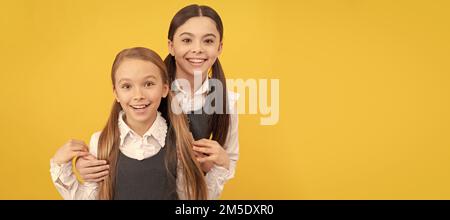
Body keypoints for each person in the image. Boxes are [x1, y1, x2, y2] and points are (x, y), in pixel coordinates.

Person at [75, 4, 239, 200]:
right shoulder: (150, 89)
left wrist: (221, 161)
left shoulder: (226, 100)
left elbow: (230, 157)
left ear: (220, 47)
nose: (197, 49)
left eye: (208, 41)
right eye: (187, 40)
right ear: (171, 46)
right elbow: (119, 140)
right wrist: (85, 165)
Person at [50, 47, 207, 199]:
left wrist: (218, 167)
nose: (138, 95)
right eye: (127, 86)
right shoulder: (101, 143)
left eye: (148, 84)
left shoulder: (181, 140)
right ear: (116, 93)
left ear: (164, 89)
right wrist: (60, 165)